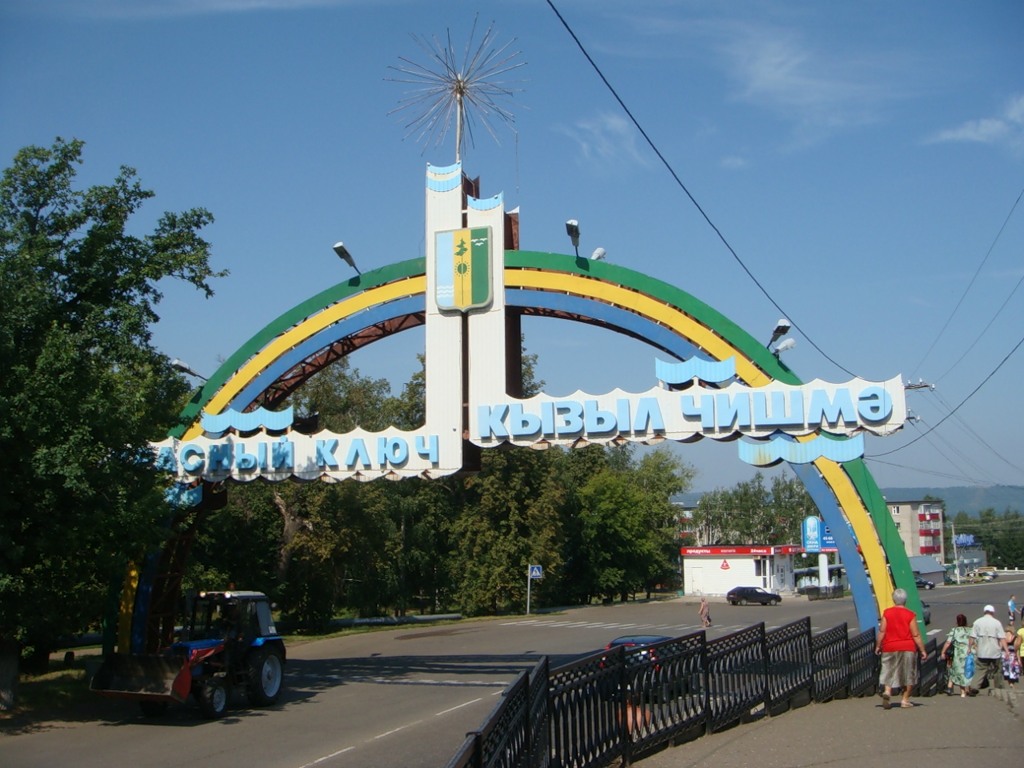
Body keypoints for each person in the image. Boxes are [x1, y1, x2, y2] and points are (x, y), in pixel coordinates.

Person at [875, 588, 927, 709]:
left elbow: (882, 631)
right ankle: (905, 700)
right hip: (907, 647)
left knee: (889, 670)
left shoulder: (887, 613)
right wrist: (922, 650)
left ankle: (887, 691)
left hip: (889, 646)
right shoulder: (910, 614)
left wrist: (878, 646)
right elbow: (915, 634)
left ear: (894, 600)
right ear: (905, 600)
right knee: (908, 673)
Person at [966, 604, 1008, 695]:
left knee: (980, 669)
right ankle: (999, 687)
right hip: (994, 651)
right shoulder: (996, 623)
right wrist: (1007, 650)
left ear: (984, 612)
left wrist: (969, 648)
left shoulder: (978, 622)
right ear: (993, 612)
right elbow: (1002, 638)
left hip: (982, 651)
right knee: (997, 670)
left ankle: (974, 687)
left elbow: (972, 637)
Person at [940, 614, 971, 697]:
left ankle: (962, 692)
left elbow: (948, 642)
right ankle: (966, 690)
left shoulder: (954, 630)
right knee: (967, 671)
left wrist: (943, 652)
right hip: (969, 653)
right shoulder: (970, 630)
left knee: (958, 671)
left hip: (959, 654)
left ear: (957, 622)